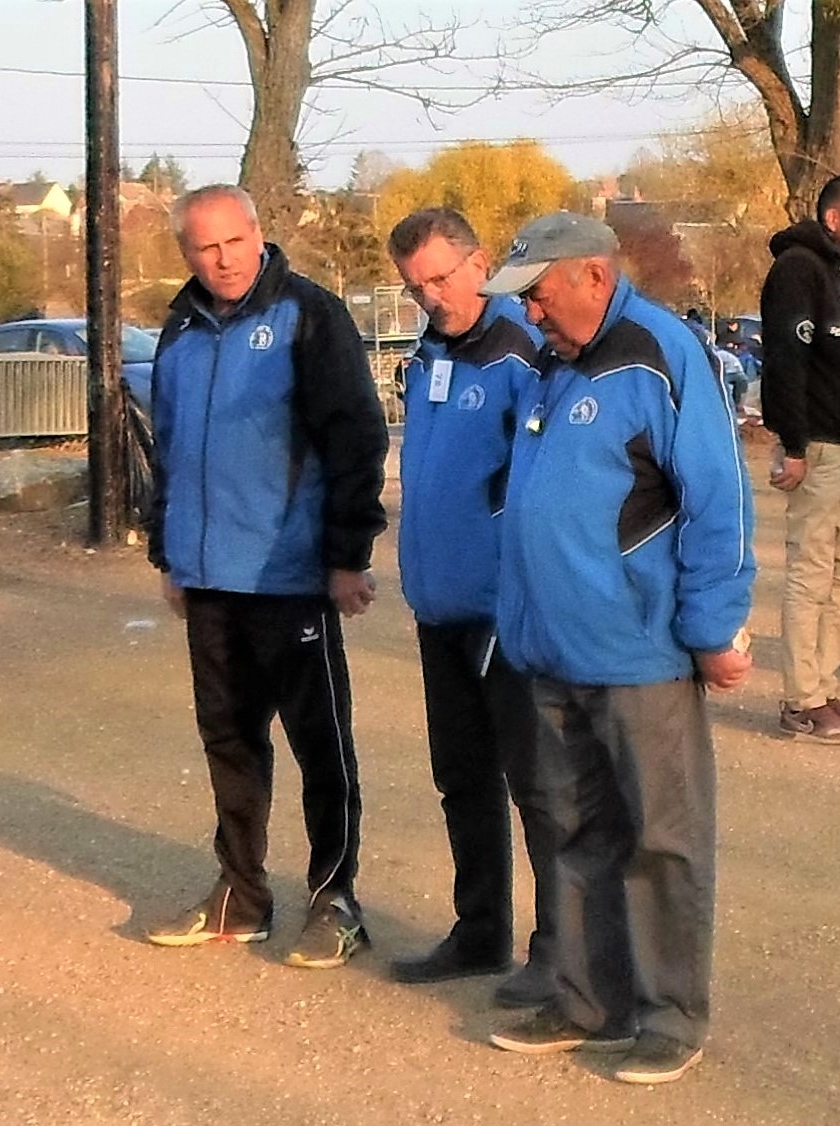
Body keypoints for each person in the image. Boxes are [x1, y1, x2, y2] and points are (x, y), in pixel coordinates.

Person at [479, 212, 755, 1085]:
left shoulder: (659, 354)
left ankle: (670, 1015)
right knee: (571, 831)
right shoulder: (552, 366)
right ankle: (585, 998)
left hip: (639, 650)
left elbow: (717, 500)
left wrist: (713, 630)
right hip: (550, 648)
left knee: (660, 838)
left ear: (593, 276)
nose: (529, 314)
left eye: (538, 293)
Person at [144, 185, 389, 968]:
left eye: (231, 243)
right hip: (210, 576)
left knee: (322, 744)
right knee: (229, 741)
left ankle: (335, 898)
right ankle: (240, 894)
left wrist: (347, 557)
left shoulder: (309, 316)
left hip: (290, 575)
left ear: (258, 234)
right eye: (202, 248)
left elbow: (355, 437)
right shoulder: (179, 329)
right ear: (185, 252)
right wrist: (169, 554)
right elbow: (169, 449)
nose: (220, 261)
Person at [383, 207, 559, 1008]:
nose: (431, 296)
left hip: (502, 611)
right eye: (416, 286)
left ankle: (559, 949)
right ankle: (479, 929)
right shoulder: (427, 356)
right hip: (437, 604)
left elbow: (544, 488)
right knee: (460, 777)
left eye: (441, 278)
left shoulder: (523, 355)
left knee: (534, 782)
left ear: (479, 261)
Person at [758, 174, 840, 745]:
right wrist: (794, 444)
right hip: (818, 447)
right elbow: (785, 362)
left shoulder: (835, 273)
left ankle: (823, 685)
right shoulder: (796, 270)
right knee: (810, 573)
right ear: (833, 218)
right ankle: (800, 700)